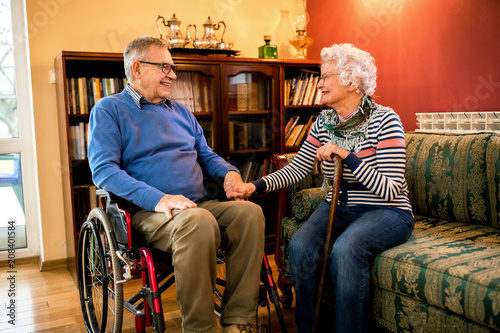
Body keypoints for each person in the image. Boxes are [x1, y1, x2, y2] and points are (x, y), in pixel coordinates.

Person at [227, 43, 414, 332]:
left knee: (347, 249)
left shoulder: (385, 120)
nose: (320, 83)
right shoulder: (323, 122)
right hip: (338, 205)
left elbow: (389, 189)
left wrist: (346, 155)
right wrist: (253, 186)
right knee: (301, 245)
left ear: (352, 80)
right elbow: (298, 168)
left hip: (386, 211)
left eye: (326, 76)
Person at [88, 36, 265, 333]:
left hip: (197, 206)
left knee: (250, 215)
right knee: (198, 221)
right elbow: (104, 171)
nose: (173, 74)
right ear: (138, 68)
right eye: (165, 67)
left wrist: (230, 173)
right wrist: (159, 199)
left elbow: (207, 156)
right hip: (149, 213)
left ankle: (237, 321)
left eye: (172, 67)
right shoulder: (109, 110)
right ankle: (200, 328)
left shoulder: (181, 112)